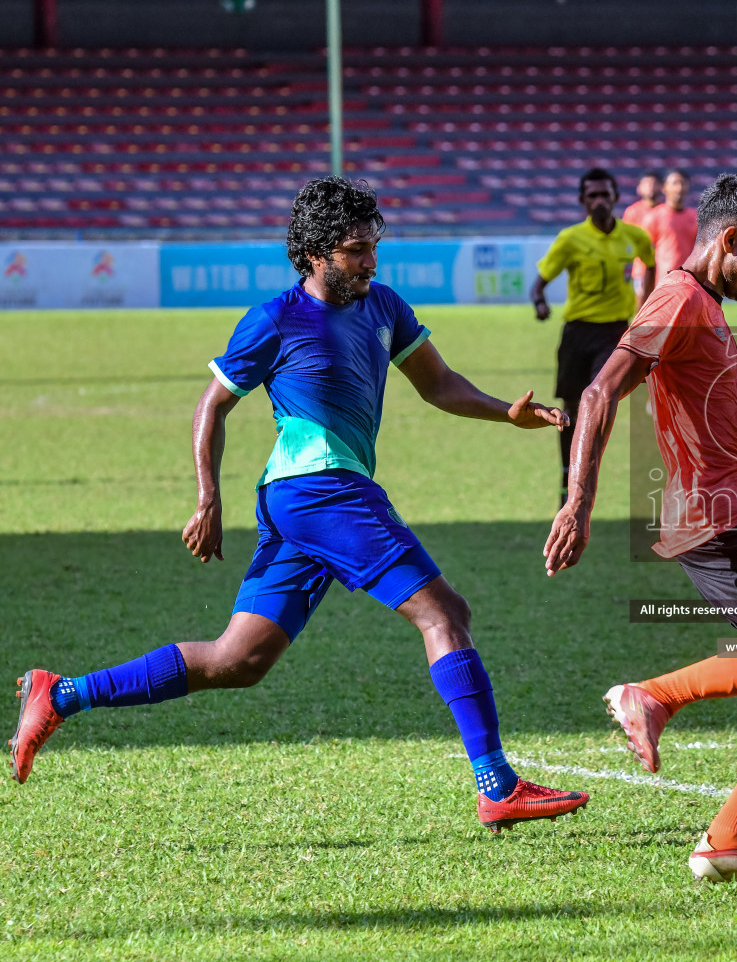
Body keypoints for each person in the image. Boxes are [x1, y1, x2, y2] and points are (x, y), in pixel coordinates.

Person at [10, 176, 590, 830]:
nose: (370, 260)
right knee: (444, 612)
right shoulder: (274, 320)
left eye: (374, 247)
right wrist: (207, 498)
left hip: (301, 504)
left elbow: (440, 384)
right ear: (315, 253)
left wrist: (505, 415)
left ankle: (60, 694)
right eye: (354, 250)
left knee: (239, 660)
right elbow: (214, 405)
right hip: (321, 490)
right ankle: (497, 784)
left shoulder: (384, 307)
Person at [544, 173, 737, 885]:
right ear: (730, 239)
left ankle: (726, 840)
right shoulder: (678, 297)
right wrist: (578, 502)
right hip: (718, 516)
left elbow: (689, 368)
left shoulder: (704, 304)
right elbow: (600, 389)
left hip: (729, 511)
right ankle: (652, 696)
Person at [530, 168, 655, 507]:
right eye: (592, 195)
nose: (599, 201)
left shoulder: (635, 236)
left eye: (605, 194)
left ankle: (586, 476)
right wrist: (539, 301)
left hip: (615, 332)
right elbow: (539, 282)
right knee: (571, 406)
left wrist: (647, 302)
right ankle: (567, 472)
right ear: (582, 201)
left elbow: (651, 263)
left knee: (599, 398)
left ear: (615, 197)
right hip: (577, 332)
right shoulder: (570, 239)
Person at [645, 169, 698, 279]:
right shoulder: (654, 216)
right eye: (675, 183)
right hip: (663, 281)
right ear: (664, 187)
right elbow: (646, 254)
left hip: (689, 280)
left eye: (682, 183)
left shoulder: (696, 218)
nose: (679, 188)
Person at [622, 170, 663, 296]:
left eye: (654, 183)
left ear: (661, 187)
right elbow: (625, 242)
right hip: (640, 270)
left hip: (664, 270)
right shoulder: (632, 212)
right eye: (646, 184)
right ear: (639, 188)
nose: (650, 187)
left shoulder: (666, 212)